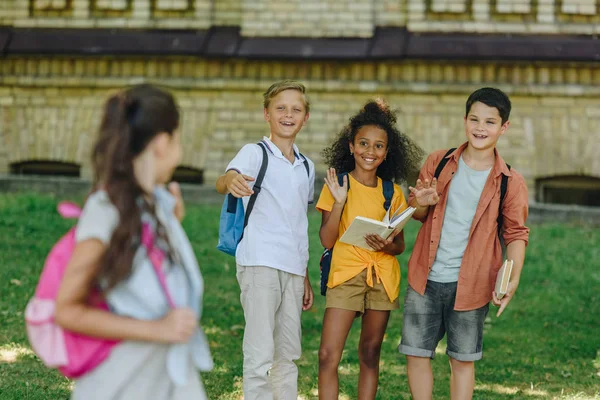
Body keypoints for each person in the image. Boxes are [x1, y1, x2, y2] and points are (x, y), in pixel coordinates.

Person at [55, 84, 212, 400]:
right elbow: (67, 310)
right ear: (162, 144)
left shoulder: (153, 204)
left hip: (168, 377)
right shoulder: (105, 210)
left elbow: (143, 265)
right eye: (178, 139)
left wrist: (171, 222)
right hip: (122, 384)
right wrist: (158, 329)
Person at [399, 87, 530, 400]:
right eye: (474, 119)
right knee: (416, 354)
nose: (480, 128)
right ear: (464, 120)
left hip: (472, 285)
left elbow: (516, 234)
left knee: (462, 359)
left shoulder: (510, 180)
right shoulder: (439, 162)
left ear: (504, 127)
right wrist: (423, 203)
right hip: (424, 278)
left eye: (489, 122)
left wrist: (512, 278)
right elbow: (415, 213)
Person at [316, 99, 423, 399]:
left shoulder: (393, 192)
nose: (370, 151)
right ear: (351, 145)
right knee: (327, 355)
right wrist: (338, 203)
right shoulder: (338, 184)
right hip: (346, 274)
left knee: (370, 353)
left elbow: (400, 245)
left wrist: (389, 245)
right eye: (363, 143)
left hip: (382, 278)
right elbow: (326, 240)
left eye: (378, 146)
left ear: (387, 153)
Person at [215, 79, 315, 400]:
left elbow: (298, 224)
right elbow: (225, 179)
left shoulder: (306, 166)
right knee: (260, 354)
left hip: (293, 270)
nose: (288, 114)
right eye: (280, 108)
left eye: (296, 109)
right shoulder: (255, 153)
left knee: (288, 353)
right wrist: (231, 180)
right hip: (260, 263)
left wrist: (305, 275)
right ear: (267, 114)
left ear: (305, 117)